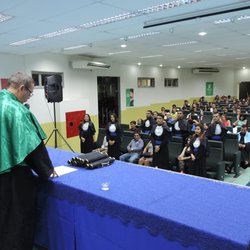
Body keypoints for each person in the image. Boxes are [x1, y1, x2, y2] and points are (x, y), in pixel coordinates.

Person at [0, 72, 57, 250]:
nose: (28, 97)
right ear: (21, 88)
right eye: (30, 93)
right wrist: (47, 169)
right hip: (13, 176)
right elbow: (31, 145)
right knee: (17, 219)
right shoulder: (17, 110)